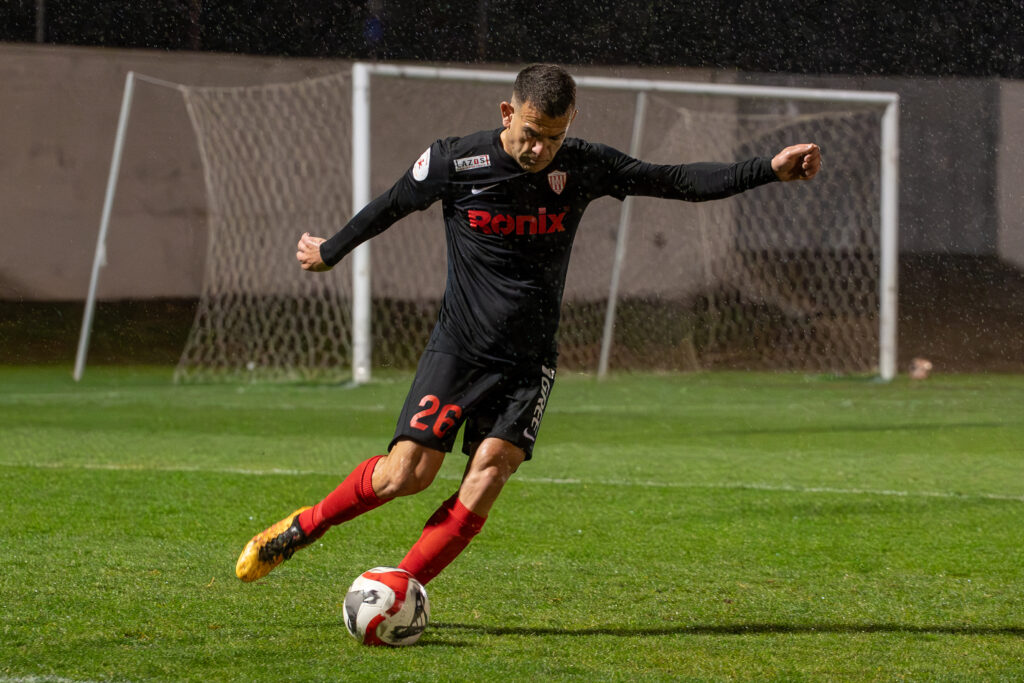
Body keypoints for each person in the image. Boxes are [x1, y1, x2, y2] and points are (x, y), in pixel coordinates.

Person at [235, 64, 821, 586]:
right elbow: (391, 204)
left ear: (571, 125)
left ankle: (400, 587)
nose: (540, 148)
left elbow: (677, 181)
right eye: (532, 132)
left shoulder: (583, 164)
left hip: (529, 360)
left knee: (489, 472)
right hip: (460, 348)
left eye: (554, 136)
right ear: (507, 112)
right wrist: (330, 251)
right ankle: (303, 527)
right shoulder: (454, 161)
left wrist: (767, 170)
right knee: (405, 475)